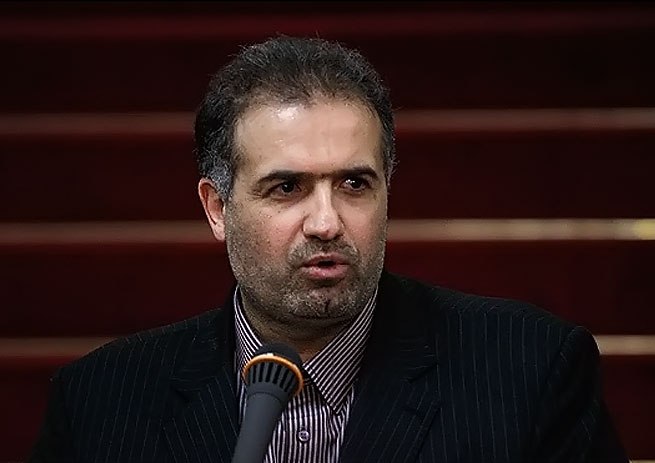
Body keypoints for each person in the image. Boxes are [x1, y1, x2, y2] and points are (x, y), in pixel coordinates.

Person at [29, 36, 627, 463]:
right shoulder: (100, 402)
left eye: (354, 184)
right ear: (217, 208)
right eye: (287, 188)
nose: (325, 222)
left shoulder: (529, 370)